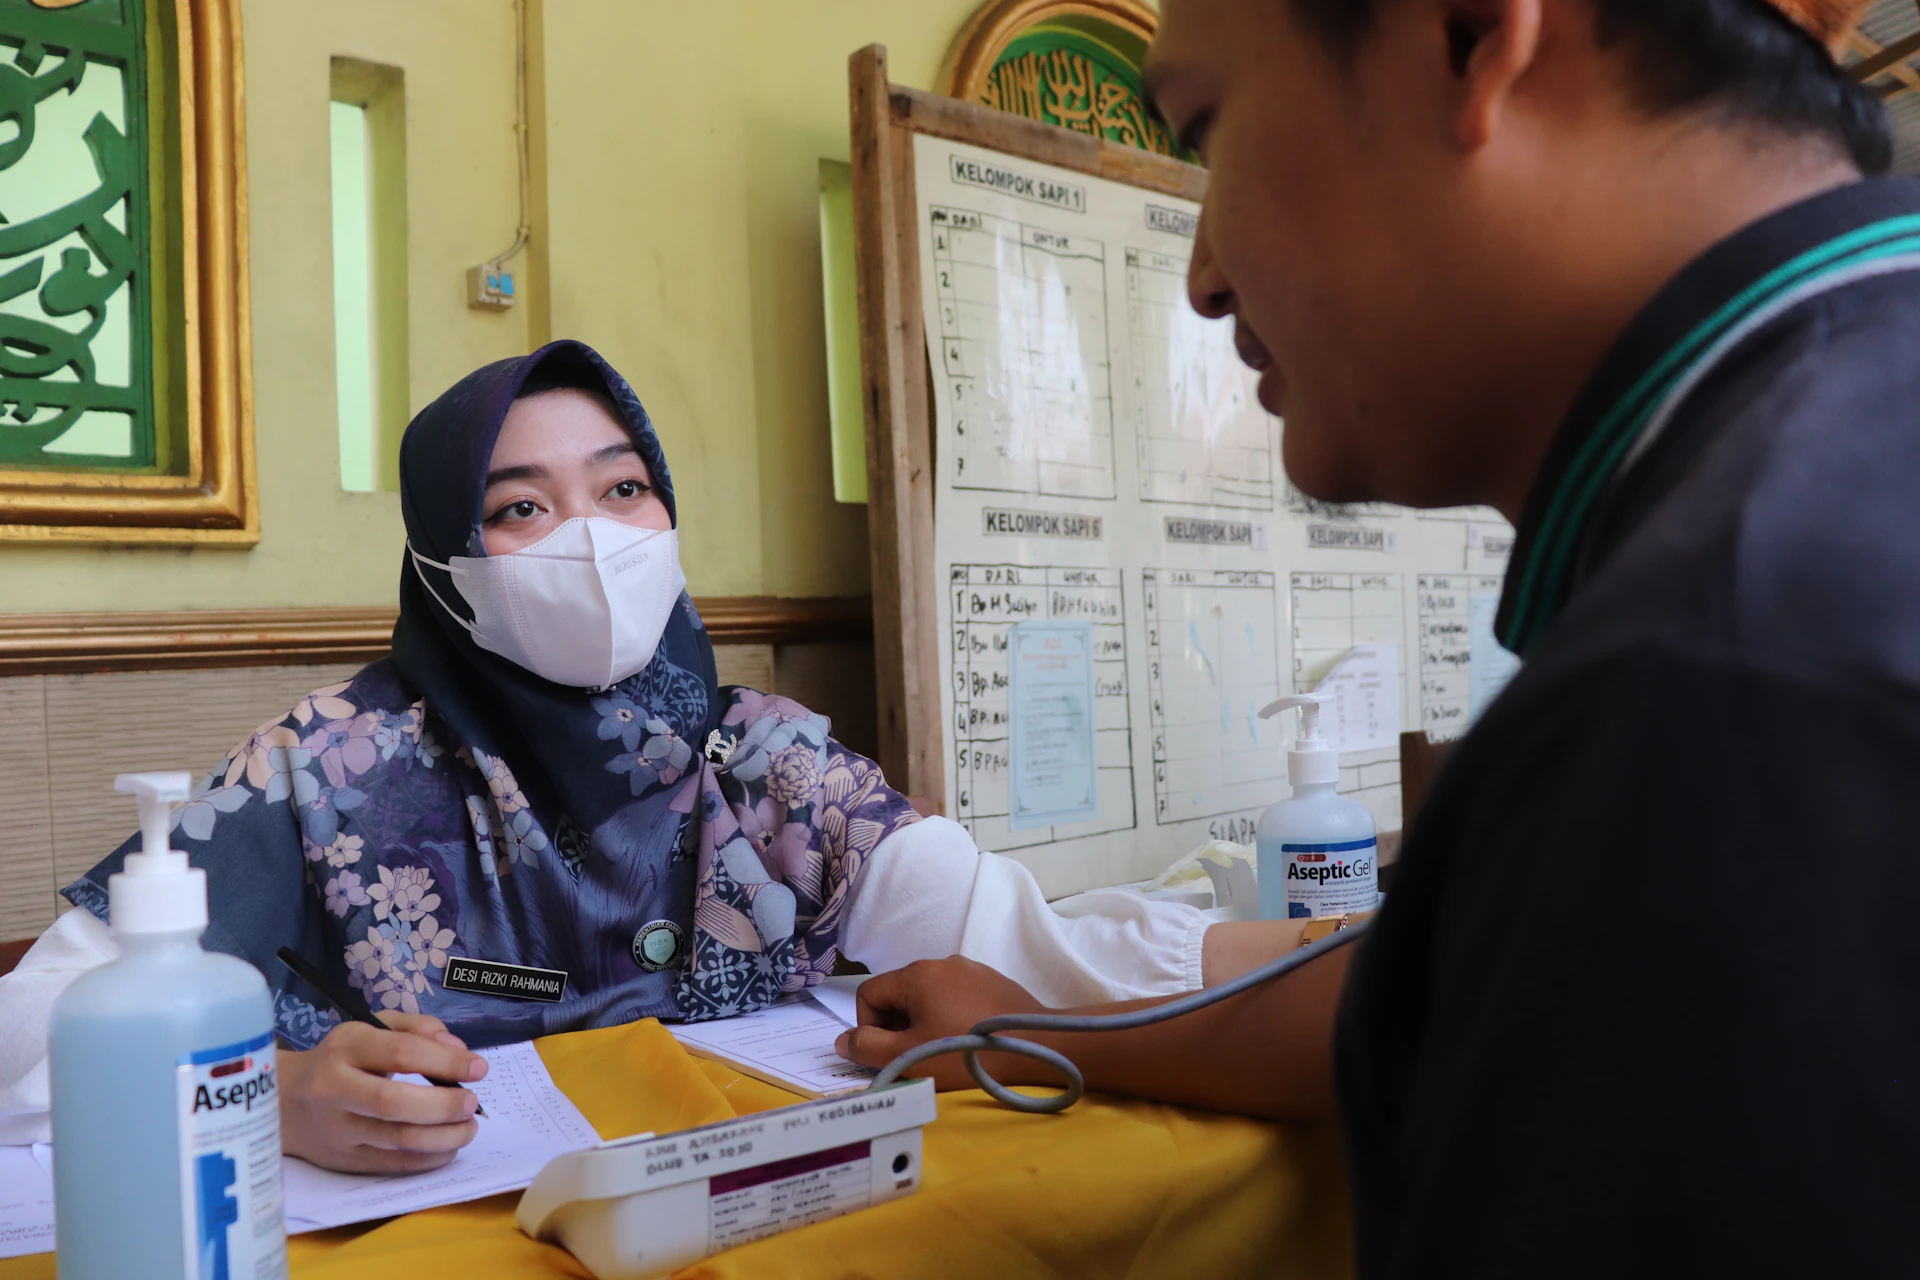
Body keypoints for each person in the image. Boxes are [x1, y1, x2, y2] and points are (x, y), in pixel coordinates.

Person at [838, 0, 1920, 1272]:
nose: (1202, 276)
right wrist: (1047, 1029)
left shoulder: (1720, 686)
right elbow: (1469, 990)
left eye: (1206, 127)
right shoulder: (1823, 469)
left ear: (1474, 36)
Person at [0, 341, 1218, 1173]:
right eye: (520, 506)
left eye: (624, 488)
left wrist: (1292, 967)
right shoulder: (323, 770)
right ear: (440, 563)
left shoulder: (764, 762)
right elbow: (30, 1036)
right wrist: (266, 1094)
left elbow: (1033, 952)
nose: (588, 539)